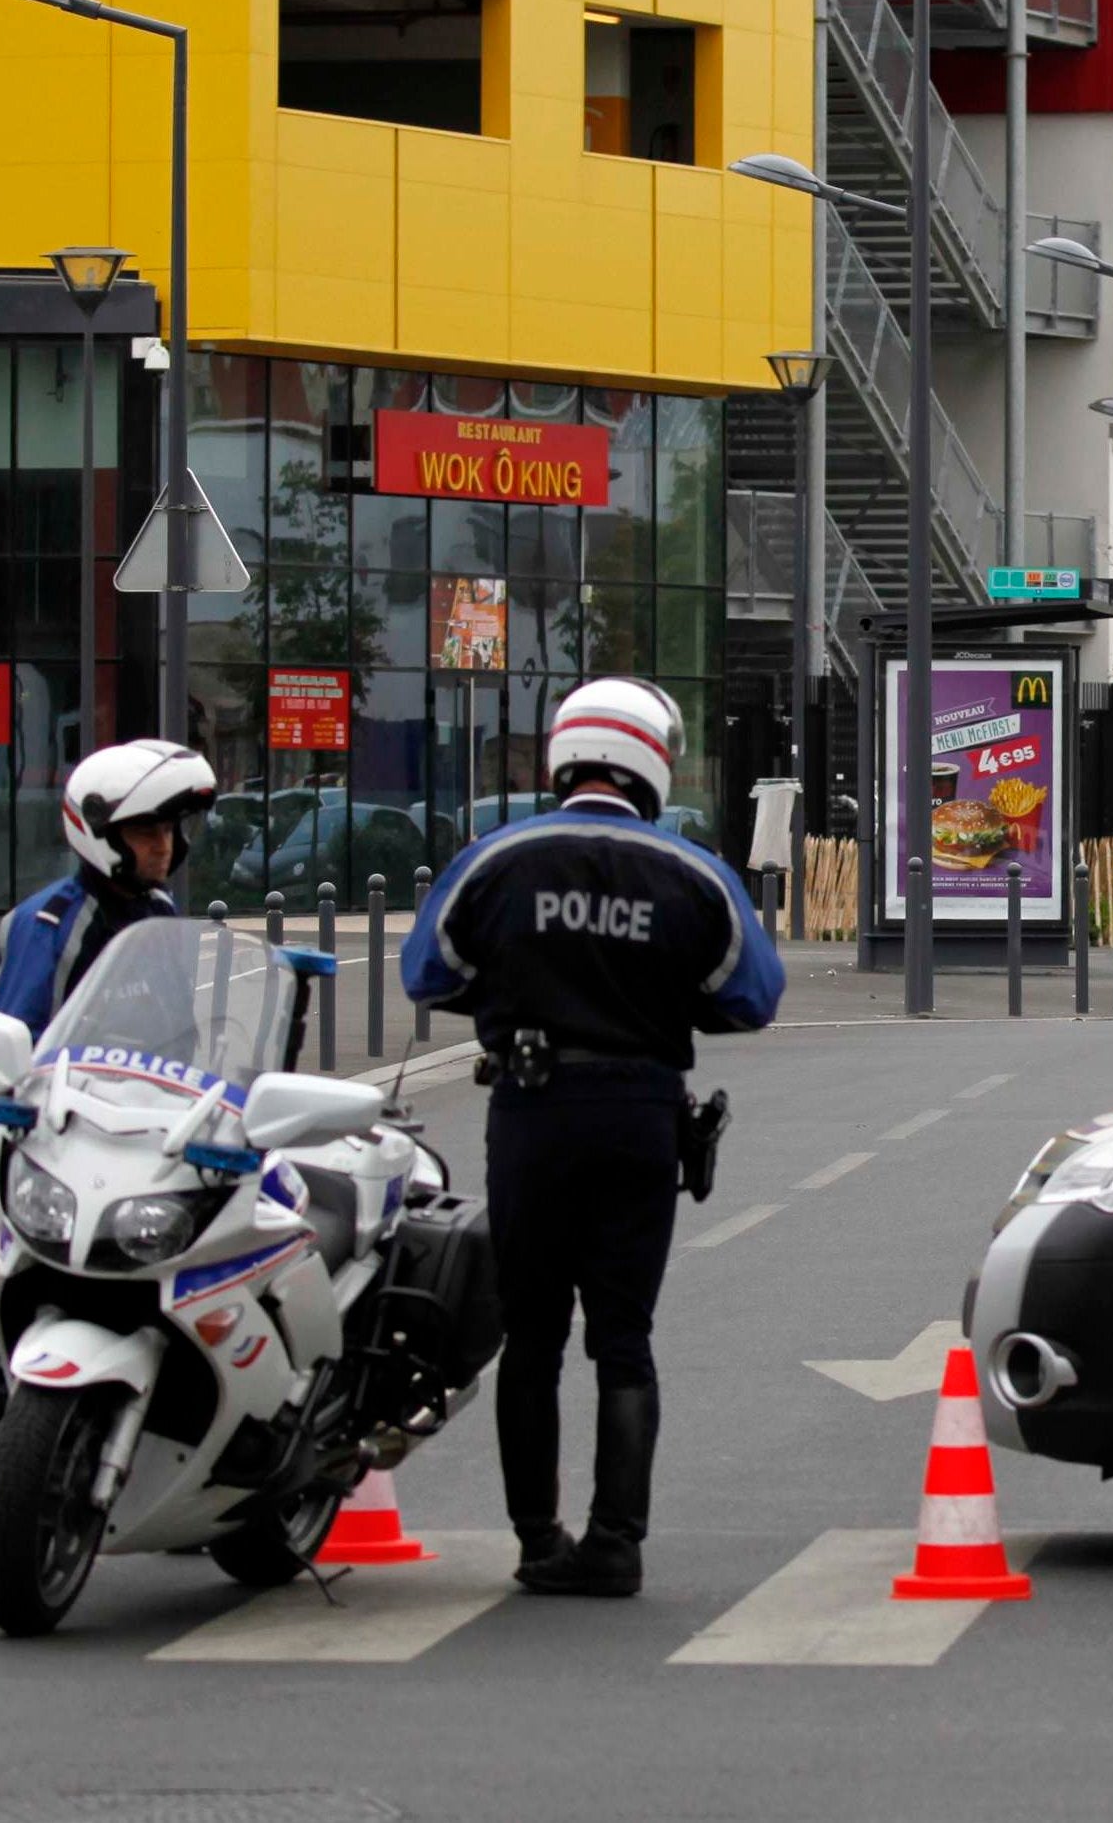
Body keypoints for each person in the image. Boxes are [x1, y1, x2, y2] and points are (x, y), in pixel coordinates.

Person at [402, 678, 782, 1597]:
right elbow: (752, 993)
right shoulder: (692, 873)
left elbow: (427, 971)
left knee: (530, 1333)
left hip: (530, 1113)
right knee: (623, 1334)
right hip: (640, 1114)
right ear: (651, 763)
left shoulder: (497, 857)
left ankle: (538, 1541)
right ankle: (616, 1542)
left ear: (562, 757)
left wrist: (511, 990)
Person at [0, 738, 217, 1562]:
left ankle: (168, 1488)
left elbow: (179, 1041)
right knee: (45, 1310)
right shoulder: (53, 923)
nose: (164, 846)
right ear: (99, 832)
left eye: (172, 830)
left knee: (164, 1301)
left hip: (141, 1145)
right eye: (146, 831)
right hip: (61, 1153)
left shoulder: (159, 918)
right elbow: (21, 1046)